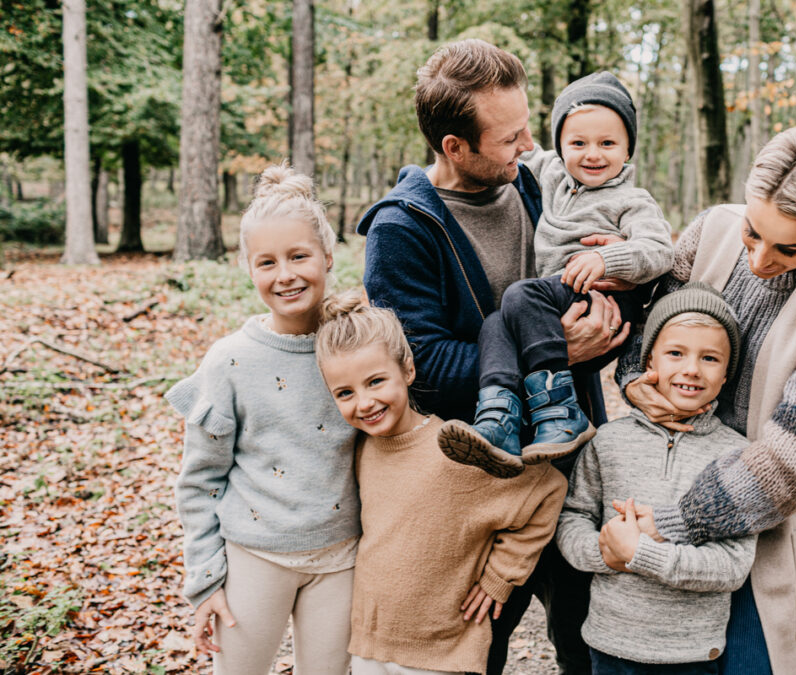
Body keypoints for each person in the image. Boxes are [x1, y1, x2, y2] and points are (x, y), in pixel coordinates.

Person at [356, 39, 620, 673]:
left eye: (528, 126)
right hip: (485, 480)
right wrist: (554, 351)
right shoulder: (402, 231)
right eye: (510, 137)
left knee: (590, 641)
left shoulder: (537, 186)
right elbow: (422, 366)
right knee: (479, 646)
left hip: (575, 455)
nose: (529, 145)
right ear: (455, 147)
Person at [613, 125, 796, 675]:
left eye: (789, 248)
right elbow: (646, 336)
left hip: (772, 542)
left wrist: (675, 523)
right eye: (754, 233)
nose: (758, 259)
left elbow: (791, 462)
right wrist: (637, 381)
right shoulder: (709, 231)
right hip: (666, 495)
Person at [166, 163, 359, 673]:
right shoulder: (230, 361)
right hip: (255, 557)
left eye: (299, 256)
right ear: (248, 268)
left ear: (327, 255)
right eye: (267, 262)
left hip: (342, 557)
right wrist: (205, 579)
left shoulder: (358, 345)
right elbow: (200, 479)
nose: (286, 275)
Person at [314, 291, 567, 675]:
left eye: (376, 381)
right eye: (345, 393)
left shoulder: (456, 448)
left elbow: (547, 489)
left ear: (408, 370)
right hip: (370, 646)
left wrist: (501, 576)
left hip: (443, 652)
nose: (364, 402)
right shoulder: (362, 450)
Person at [438, 71, 674, 477]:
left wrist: (608, 261)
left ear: (628, 148)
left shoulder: (633, 200)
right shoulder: (552, 176)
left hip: (604, 297)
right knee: (496, 323)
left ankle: (560, 408)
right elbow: (504, 147)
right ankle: (499, 416)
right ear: (560, 146)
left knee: (518, 296)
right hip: (556, 295)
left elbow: (659, 250)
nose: (592, 154)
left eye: (607, 143)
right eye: (577, 143)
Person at [557, 283, 757, 673]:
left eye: (710, 358)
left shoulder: (739, 456)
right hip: (610, 642)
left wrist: (642, 554)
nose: (691, 369)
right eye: (676, 353)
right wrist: (606, 551)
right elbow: (571, 518)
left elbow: (733, 565)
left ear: (726, 374)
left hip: (692, 654)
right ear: (650, 361)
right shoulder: (608, 441)